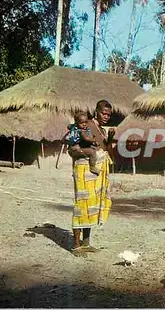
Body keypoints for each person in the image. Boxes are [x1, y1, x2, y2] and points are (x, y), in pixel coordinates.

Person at [71, 100, 116, 257]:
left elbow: (107, 150)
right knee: (82, 205)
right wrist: (89, 154)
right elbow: (72, 149)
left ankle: (86, 243)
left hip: (97, 171)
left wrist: (110, 138)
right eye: (103, 113)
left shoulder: (102, 130)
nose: (106, 116)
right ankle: (76, 246)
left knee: (92, 206)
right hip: (84, 170)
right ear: (96, 111)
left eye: (109, 114)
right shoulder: (85, 125)